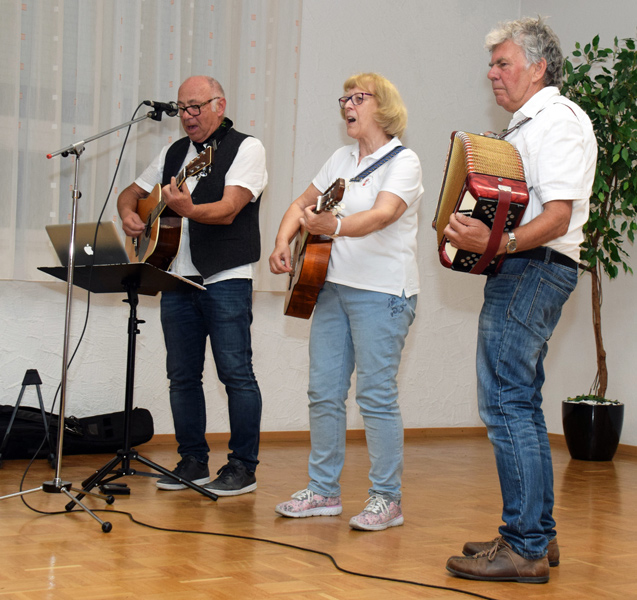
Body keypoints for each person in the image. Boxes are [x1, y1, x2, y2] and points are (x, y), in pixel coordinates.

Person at [444, 18, 597, 582]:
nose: (491, 74)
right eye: (491, 64)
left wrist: (497, 242)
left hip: (533, 268)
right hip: (527, 267)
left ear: (537, 67)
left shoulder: (555, 120)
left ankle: (525, 545)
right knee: (520, 403)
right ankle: (536, 532)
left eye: (502, 63)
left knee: (507, 403)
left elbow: (556, 215)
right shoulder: (530, 123)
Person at [269, 73, 423, 531]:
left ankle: (386, 499)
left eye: (359, 98)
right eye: (345, 99)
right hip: (332, 287)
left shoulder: (405, 161)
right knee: (324, 392)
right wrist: (283, 240)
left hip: (383, 293)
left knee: (375, 397)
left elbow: (383, 214)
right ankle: (323, 491)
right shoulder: (340, 158)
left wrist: (330, 227)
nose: (348, 106)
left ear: (385, 106)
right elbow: (302, 203)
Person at [117, 76, 267, 496]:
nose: (188, 116)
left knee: (236, 374)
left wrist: (189, 208)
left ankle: (242, 467)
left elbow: (228, 209)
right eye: (182, 108)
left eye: (196, 107)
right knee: (181, 376)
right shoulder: (174, 153)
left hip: (225, 277)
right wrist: (130, 214)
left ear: (219, 105)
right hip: (176, 276)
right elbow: (132, 193)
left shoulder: (247, 147)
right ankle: (193, 461)